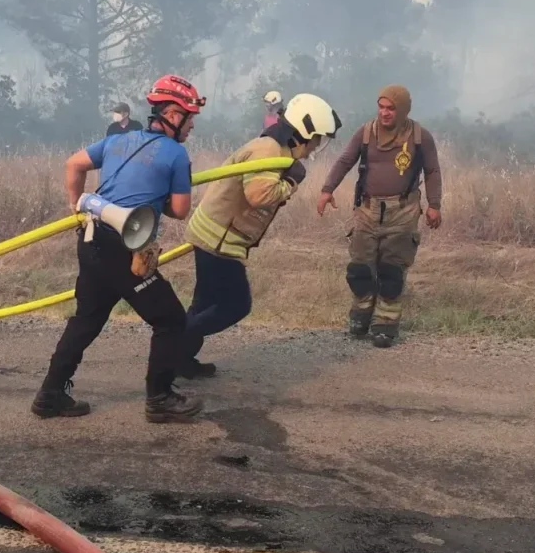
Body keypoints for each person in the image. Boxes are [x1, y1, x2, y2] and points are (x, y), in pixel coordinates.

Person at [31, 75, 206, 424]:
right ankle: (160, 398)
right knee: (171, 319)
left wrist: (75, 205)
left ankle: (50, 395)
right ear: (173, 115)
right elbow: (180, 209)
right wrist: (159, 197)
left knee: (87, 319)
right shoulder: (176, 154)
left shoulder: (118, 140)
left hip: (92, 239)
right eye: (189, 119)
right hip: (124, 247)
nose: (191, 127)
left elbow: (73, 164)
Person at [180, 94, 341, 378]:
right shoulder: (269, 151)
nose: (317, 146)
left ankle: (179, 359)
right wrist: (290, 182)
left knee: (205, 303)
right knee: (236, 305)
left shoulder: (275, 147)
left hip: (214, 234)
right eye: (317, 139)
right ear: (304, 131)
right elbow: (260, 195)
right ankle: (172, 344)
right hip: (220, 240)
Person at [317, 85, 443, 348]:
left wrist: (434, 205)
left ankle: (385, 325)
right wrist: (327, 190)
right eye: (381, 107)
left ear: (403, 110)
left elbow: (432, 170)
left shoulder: (420, 137)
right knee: (359, 269)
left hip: (403, 211)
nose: (384, 113)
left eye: (391, 108)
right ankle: (361, 316)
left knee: (391, 272)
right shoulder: (365, 133)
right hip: (367, 210)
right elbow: (345, 161)